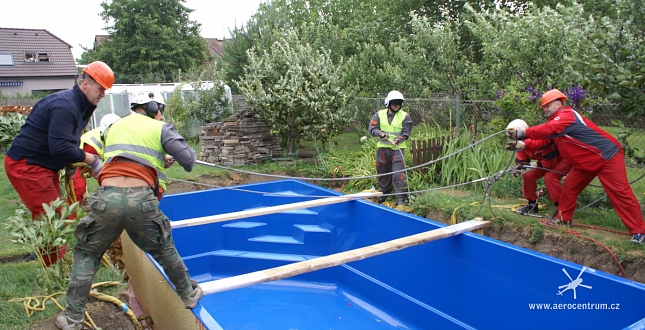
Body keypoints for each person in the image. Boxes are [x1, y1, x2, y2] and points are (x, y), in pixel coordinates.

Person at [56, 91, 202, 329]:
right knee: (164, 249)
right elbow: (189, 161)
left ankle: (72, 317)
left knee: (86, 254)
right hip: (140, 200)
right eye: (160, 107)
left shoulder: (114, 127)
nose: (161, 113)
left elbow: (120, 159)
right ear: (152, 106)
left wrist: (155, 157)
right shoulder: (160, 127)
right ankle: (187, 294)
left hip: (105, 198)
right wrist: (169, 147)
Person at [4, 61, 113, 267]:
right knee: (51, 220)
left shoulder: (81, 106)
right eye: (100, 89)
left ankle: (57, 261)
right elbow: (60, 147)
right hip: (28, 165)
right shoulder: (66, 106)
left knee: (58, 214)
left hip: (43, 165)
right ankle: (55, 270)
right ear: (85, 84)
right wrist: (91, 159)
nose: (102, 95)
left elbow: (65, 144)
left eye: (105, 91)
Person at [506, 89, 645, 245]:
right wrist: (523, 144)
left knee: (620, 194)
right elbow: (545, 138)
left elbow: (548, 130)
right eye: (543, 106)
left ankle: (639, 232)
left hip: (607, 156)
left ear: (559, 102)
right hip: (585, 162)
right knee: (569, 187)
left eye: (547, 105)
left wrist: (523, 133)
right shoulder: (556, 121)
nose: (545, 108)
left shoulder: (566, 115)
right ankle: (563, 220)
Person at [506, 136, 572, 217]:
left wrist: (534, 165)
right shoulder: (520, 146)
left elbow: (551, 162)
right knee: (528, 177)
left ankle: (561, 209)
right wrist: (519, 170)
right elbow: (521, 162)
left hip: (564, 159)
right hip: (545, 161)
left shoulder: (542, 141)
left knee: (550, 178)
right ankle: (532, 204)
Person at [368, 90, 413, 205]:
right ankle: (383, 194)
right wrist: (380, 134)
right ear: (389, 103)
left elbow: (406, 133)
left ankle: (400, 199)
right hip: (383, 149)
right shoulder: (379, 114)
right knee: (382, 172)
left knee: (398, 174)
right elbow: (372, 128)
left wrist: (398, 139)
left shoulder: (405, 117)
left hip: (397, 150)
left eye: (398, 103)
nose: (396, 105)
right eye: (394, 103)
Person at [70, 113, 121, 204]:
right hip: (79, 162)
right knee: (78, 189)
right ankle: (70, 215)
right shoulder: (92, 144)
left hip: (92, 160)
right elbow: (94, 168)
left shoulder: (110, 133)